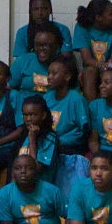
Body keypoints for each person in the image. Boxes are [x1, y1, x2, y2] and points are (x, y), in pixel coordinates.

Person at [44, 56, 92, 191]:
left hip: (70, 146)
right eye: (48, 73)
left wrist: (60, 142)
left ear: (67, 77)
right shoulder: (46, 98)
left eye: (54, 73)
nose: (49, 77)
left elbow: (84, 131)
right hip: (51, 144)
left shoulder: (76, 99)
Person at [72, 0, 112, 83]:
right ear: (98, 17)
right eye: (111, 14)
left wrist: (107, 67)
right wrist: (103, 65)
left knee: (111, 76)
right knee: (90, 72)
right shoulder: (81, 28)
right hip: (92, 71)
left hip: (111, 71)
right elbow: (87, 60)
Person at [11, 0, 58, 64]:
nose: (40, 13)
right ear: (30, 11)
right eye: (36, 9)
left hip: (55, 71)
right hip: (29, 72)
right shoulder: (22, 32)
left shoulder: (62, 29)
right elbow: (20, 62)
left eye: (44, 9)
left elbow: (66, 58)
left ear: (50, 10)